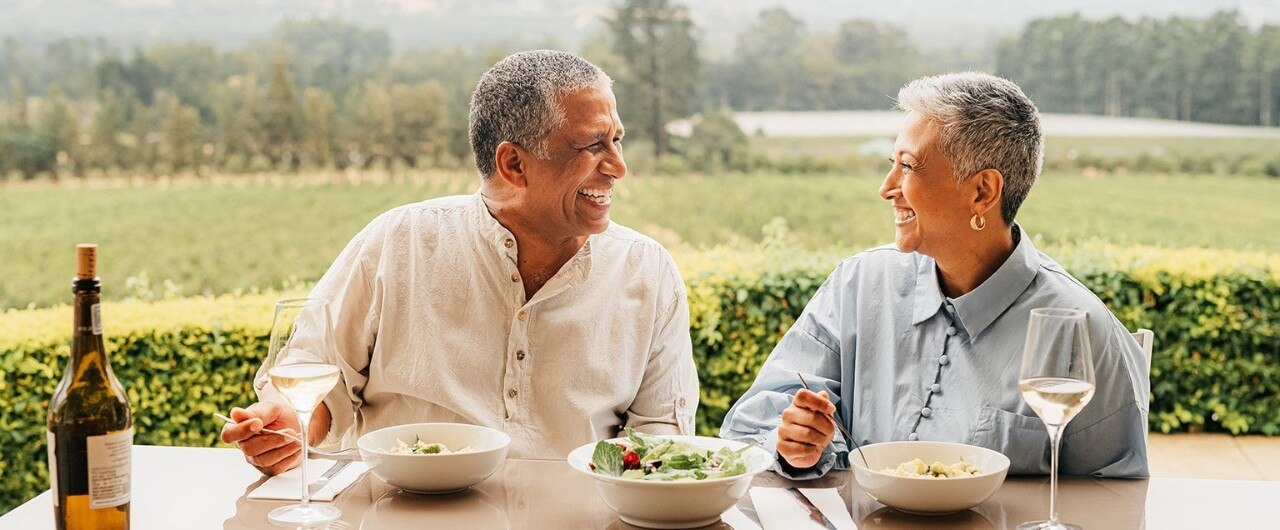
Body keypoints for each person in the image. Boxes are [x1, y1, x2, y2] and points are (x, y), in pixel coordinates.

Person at [221, 50, 698, 475]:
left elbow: (661, 441)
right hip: (399, 515)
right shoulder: (398, 241)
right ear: (513, 164)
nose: (617, 165)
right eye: (594, 145)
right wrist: (287, 422)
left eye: (617, 140)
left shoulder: (647, 271)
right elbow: (317, 373)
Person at [719, 72, 1149, 478]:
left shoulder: (1084, 330)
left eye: (907, 166)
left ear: (982, 192)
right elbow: (756, 418)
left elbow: (1117, 492)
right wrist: (795, 445)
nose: (886, 188)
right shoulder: (859, 285)